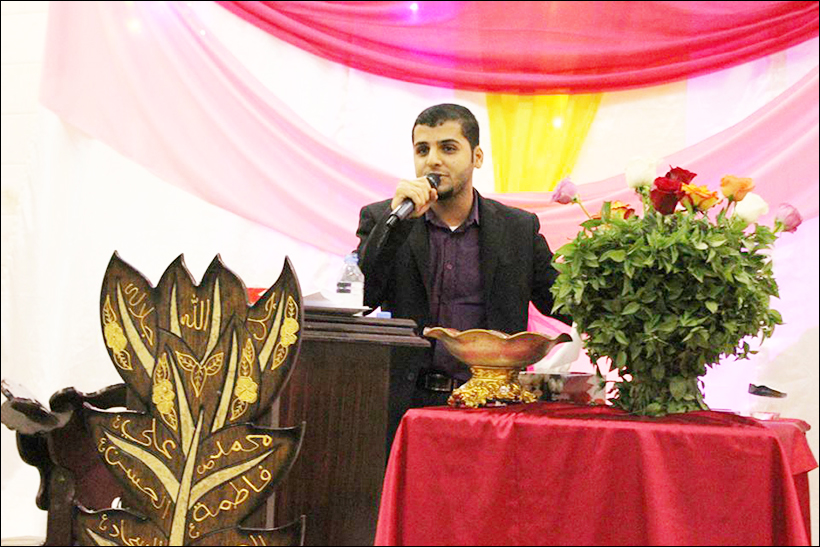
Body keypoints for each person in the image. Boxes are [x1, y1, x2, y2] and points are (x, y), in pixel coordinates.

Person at [355, 103, 571, 445]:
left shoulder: (517, 228)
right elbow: (361, 298)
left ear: (477, 157)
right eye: (422, 150)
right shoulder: (386, 219)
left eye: (448, 148)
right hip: (407, 408)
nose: (433, 161)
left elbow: (562, 301)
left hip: (496, 409)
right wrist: (394, 226)